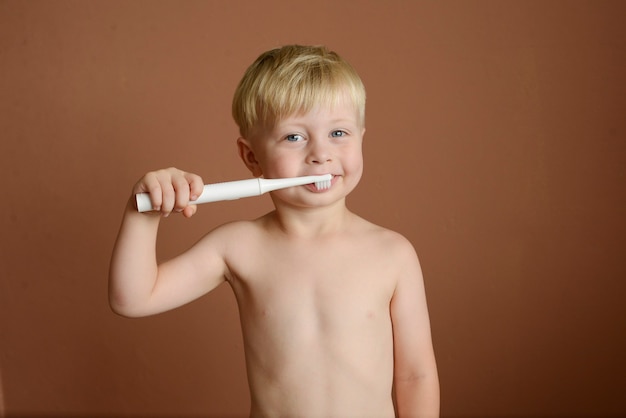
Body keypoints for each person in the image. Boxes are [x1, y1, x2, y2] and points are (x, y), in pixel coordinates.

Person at [109, 44, 439, 417]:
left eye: (339, 133)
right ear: (252, 157)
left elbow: (416, 375)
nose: (321, 154)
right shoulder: (237, 246)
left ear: (362, 137)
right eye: (294, 137)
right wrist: (144, 209)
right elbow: (132, 299)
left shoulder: (392, 253)